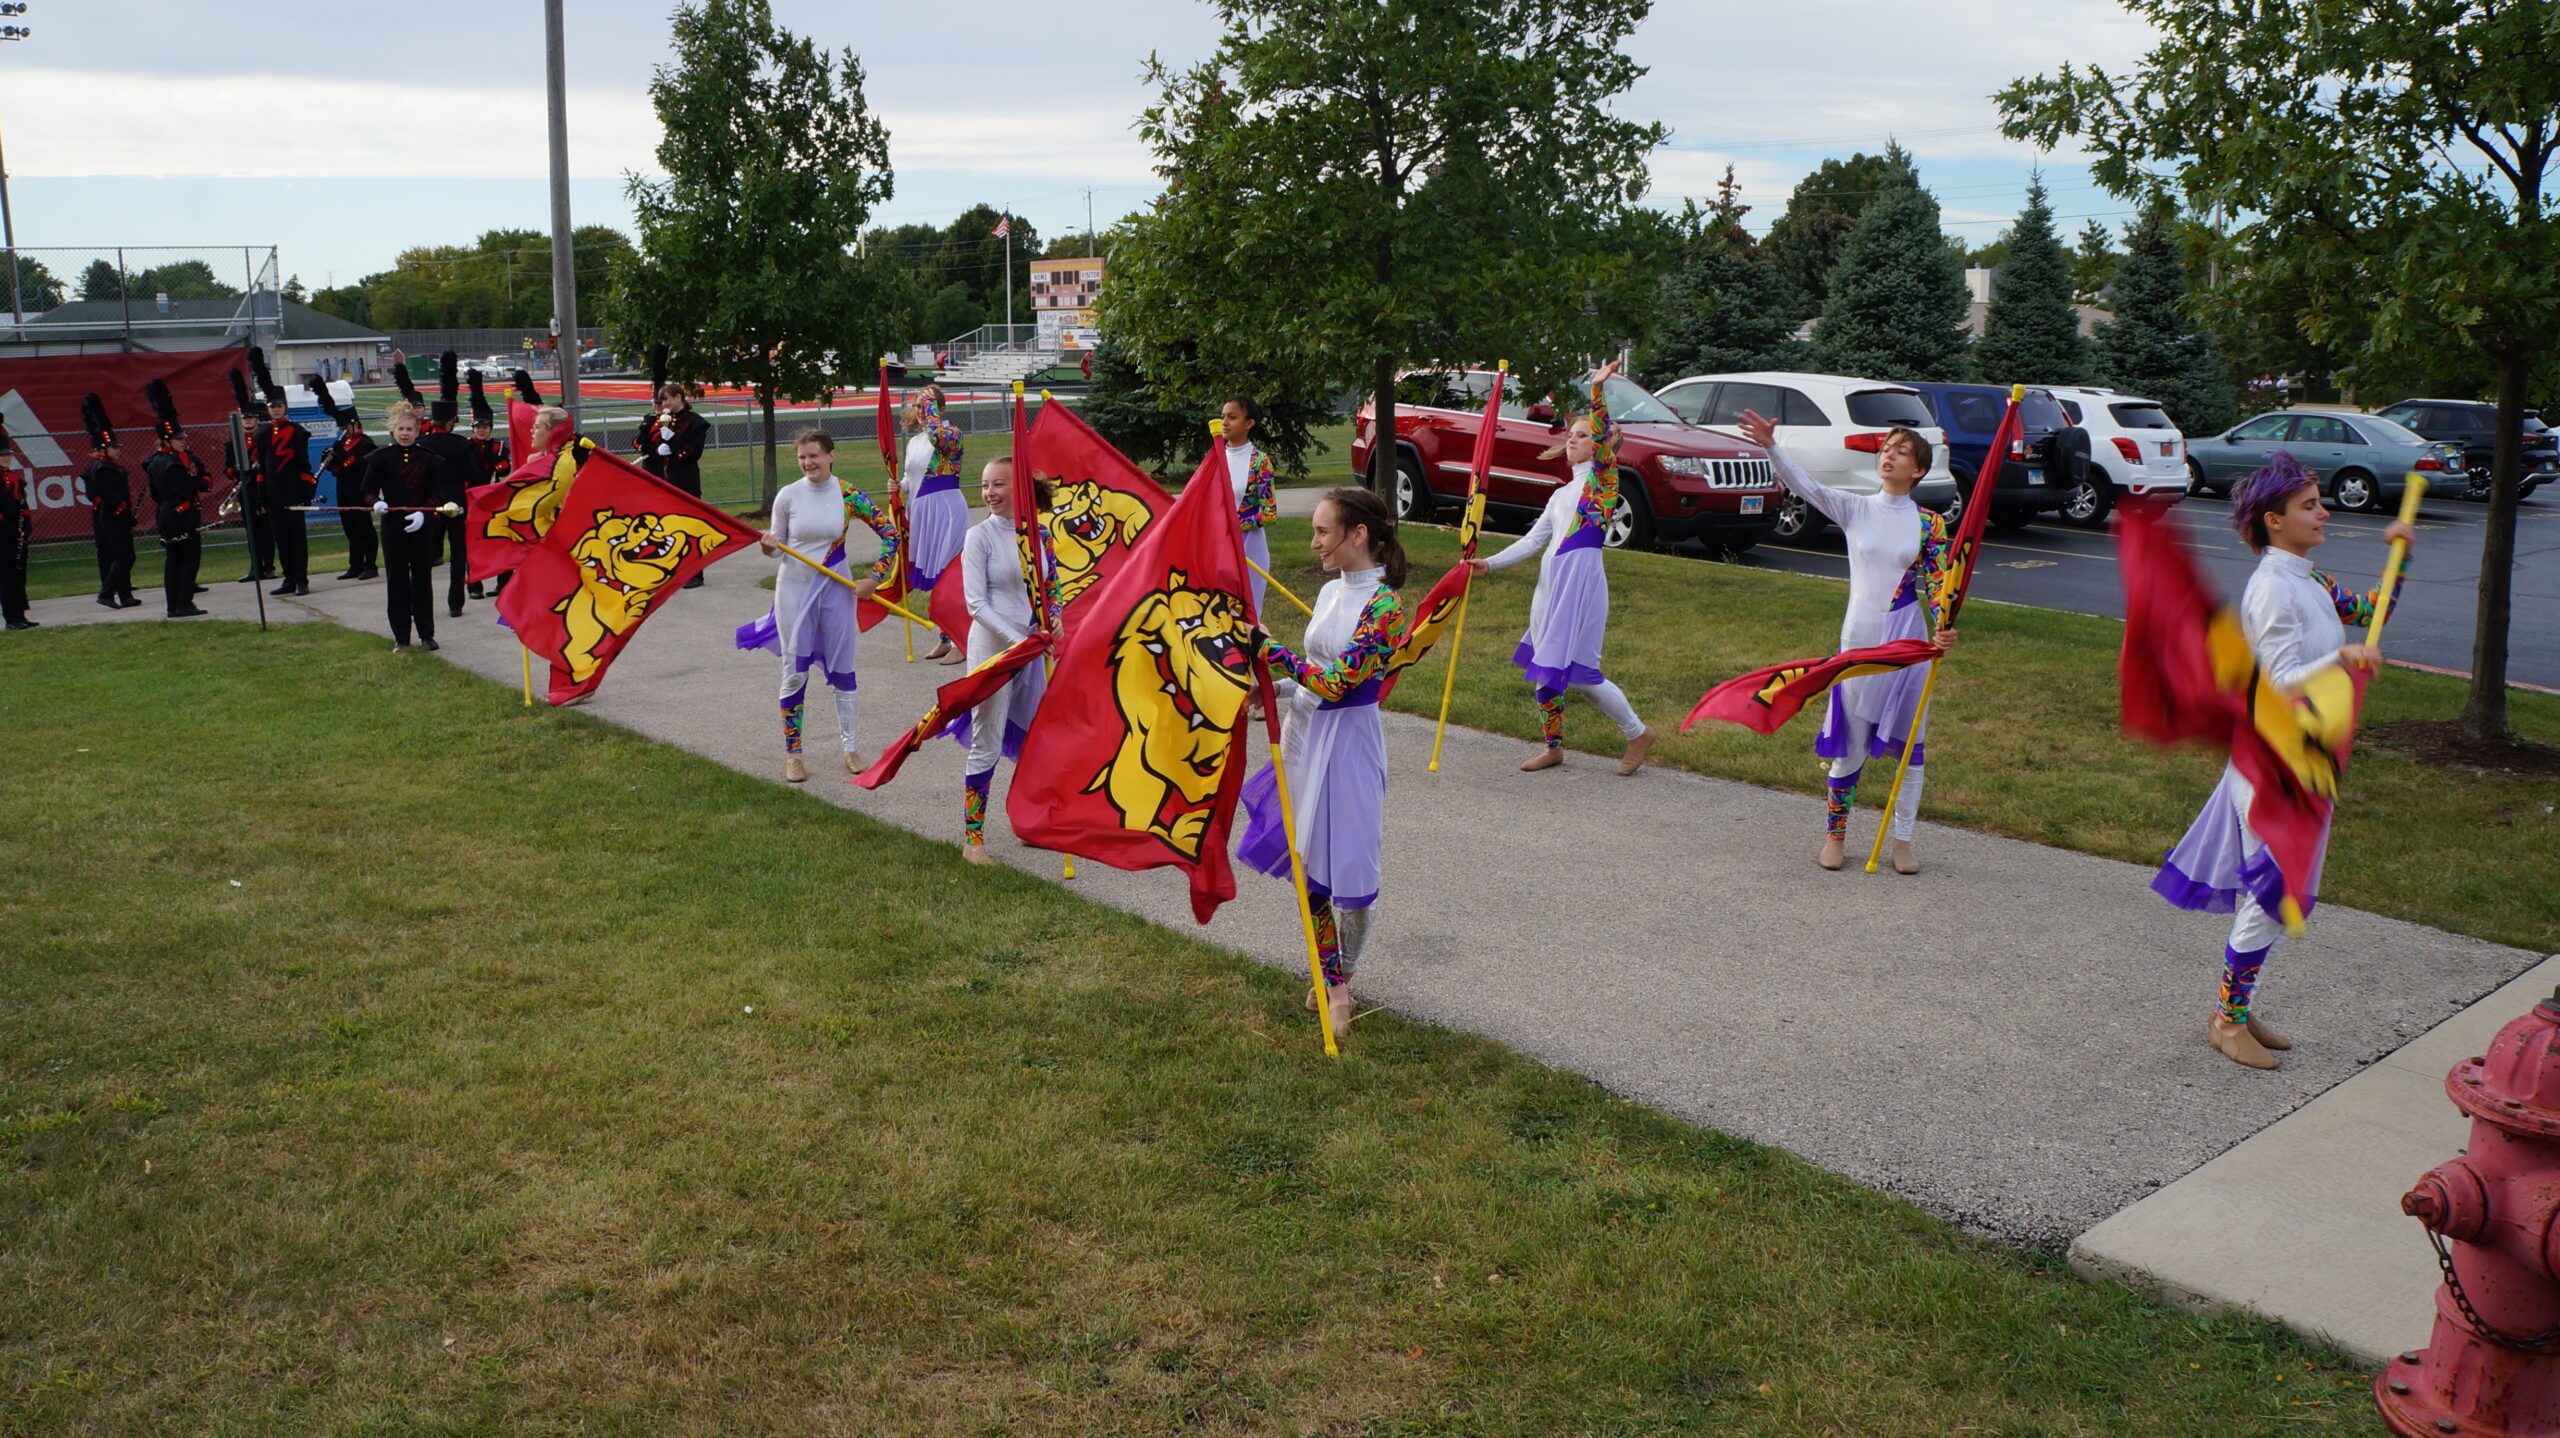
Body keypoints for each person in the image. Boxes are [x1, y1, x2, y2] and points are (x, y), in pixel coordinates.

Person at [2154, 452, 2414, 1070]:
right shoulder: (2272, 587)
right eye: (2309, 505)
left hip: (2307, 757)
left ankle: (2235, 1010)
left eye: (2320, 503)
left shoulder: (2310, 579)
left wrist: (2400, 558)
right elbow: (2278, 679)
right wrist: (2341, 660)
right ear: (2274, 520)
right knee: (2275, 893)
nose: (2324, 513)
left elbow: (2371, 610)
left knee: (2276, 893)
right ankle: (2228, 1021)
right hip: (2273, 760)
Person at [1735, 406, 1959, 874]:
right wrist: (1772, 447)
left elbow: (1939, 582)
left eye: (1902, 452)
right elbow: (1807, 487)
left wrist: (1944, 625)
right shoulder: (1856, 509)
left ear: (1919, 470)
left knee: (1909, 746)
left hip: (1908, 642)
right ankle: (1835, 836)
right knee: (1851, 742)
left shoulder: (1930, 524)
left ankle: (1902, 841)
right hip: (1859, 639)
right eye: (1886, 448)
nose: (1889, 456)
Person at [1237, 486, 1410, 1038]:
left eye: (1322, 531)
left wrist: (1269, 650)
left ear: (1358, 535)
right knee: (1309, 867)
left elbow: (1340, 682)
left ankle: (1346, 966)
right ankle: (1334, 982)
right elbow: (1317, 672)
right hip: (1304, 735)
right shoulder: (1334, 590)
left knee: (1355, 878)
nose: (1313, 543)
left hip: (1350, 744)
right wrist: (1279, 688)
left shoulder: (1385, 607)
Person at [1467, 360, 1655, 777]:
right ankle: (1553, 747)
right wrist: (1490, 564)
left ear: (1601, 444)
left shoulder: (1603, 481)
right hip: (1549, 586)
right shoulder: (1561, 494)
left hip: (1580, 585)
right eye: (1571, 434)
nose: (1573, 439)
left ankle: (1638, 732)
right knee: (1546, 668)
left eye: (1582, 435)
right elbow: (1534, 541)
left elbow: (1602, 436)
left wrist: (1597, 390)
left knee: (1583, 674)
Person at [742, 429, 896, 782]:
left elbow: (890, 533)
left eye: (814, 455)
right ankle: (793, 754)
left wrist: (875, 578)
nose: (808, 462)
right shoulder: (788, 495)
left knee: (843, 667)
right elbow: (776, 546)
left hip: (836, 589)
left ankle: (851, 748)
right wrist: (767, 546)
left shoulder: (847, 494)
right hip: (794, 590)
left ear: (831, 455)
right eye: (802, 457)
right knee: (794, 670)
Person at [954, 456, 1057, 863]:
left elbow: (1050, 585)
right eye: (985, 485)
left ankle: (1029, 825)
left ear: (1018, 488)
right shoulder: (978, 536)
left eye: (998, 484)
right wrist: (1019, 641)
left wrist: (1055, 617)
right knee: (987, 740)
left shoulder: (1039, 534)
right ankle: (973, 841)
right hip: (993, 649)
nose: (989, 493)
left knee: (1036, 740)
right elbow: (975, 604)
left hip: (1031, 647)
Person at [359, 401, 457, 652]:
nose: (405, 433)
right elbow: (367, 490)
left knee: (422, 579)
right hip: (393, 526)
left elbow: (438, 494)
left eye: (409, 429)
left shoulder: (429, 459)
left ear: (417, 431)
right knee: (396, 579)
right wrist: (376, 502)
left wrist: (424, 513)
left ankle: (426, 633)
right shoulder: (381, 458)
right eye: (400, 429)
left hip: (421, 527)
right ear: (393, 430)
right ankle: (401, 636)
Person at [901, 383, 967, 660]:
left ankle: (960, 640)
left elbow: (938, 438)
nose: (922, 411)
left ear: (941, 409)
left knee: (949, 575)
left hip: (945, 509)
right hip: (922, 513)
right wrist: (898, 486)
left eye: (928, 406)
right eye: (918, 406)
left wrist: (931, 415)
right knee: (935, 579)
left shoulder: (952, 434)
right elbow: (911, 479)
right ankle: (945, 637)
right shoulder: (915, 442)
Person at [141, 380, 211, 619]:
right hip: (180, 513)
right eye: (178, 439)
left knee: (173, 561)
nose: (183, 441)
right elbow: (185, 490)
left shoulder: (155, 461)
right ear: (167, 440)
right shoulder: (172, 463)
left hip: (165, 512)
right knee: (188, 559)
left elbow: (155, 493)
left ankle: (173, 605)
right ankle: (184, 603)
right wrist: (199, 485)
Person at [419, 352, 479, 615]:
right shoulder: (462, 445)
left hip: (430, 504)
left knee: (425, 557)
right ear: (451, 421)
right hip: (457, 503)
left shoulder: (421, 444)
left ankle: (423, 601)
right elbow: (474, 477)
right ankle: (455, 603)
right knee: (458, 557)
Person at [251, 354, 315, 597]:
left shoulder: (298, 432)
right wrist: (261, 496)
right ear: (267, 409)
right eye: (272, 406)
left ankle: (301, 580)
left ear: (285, 407)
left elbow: (304, 465)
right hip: (273, 493)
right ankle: (288, 578)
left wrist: (306, 492)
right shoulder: (261, 434)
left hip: (293, 490)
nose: (275, 409)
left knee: (297, 538)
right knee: (281, 538)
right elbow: (261, 468)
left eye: (279, 406)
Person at [638, 380, 711, 589]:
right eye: (661, 401)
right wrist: (656, 449)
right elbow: (643, 445)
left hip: (684, 480)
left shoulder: (695, 422)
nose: (663, 404)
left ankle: (694, 574)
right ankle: (666, 571)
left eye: (666, 399)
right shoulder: (660, 420)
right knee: (660, 527)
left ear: (678, 397)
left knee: (688, 527)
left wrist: (673, 441)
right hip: (661, 479)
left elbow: (694, 453)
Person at [311, 383, 378, 582]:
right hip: (344, 488)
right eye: (342, 427)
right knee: (350, 528)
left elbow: (361, 465)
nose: (344, 431)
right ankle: (355, 565)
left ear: (355, 424)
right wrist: (328, 459)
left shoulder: (365, 442)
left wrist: (343, 457)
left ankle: (370, 565)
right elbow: (336, 469)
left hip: (360, 489)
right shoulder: (341, 443)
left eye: (346, 427)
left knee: (363, 528)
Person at [1220, 396, 1280, 617]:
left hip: (1249, 546)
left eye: (1232, 417)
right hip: (1218, 545)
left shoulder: (1260, 461)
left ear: (1249, 423)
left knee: (1247, 614)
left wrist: (1235, 525)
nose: (1225, 422)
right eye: (1223, 416)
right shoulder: (1215, 459)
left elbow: (1269, 514)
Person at [78, 394, 140, 609]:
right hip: (113, 515)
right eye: (114, 447)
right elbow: (112, 497)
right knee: (124, 556)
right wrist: (126, 514)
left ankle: (125, 595)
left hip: (115, 515)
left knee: (123, 555)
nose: (118, 450)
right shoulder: (103, 468)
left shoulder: (109, 466)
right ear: (103, 448)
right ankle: (106, 593)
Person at [0, 430, 29, 631]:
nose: (5, 459)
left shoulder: (15, 478)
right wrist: (12, 531)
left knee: (19, 574)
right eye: (2, 456)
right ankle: (11, 618)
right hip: (3, 532)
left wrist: (25, 528)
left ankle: (20, 615)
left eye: (7, 455)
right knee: (7, 576)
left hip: (16, 532)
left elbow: (23, 505)